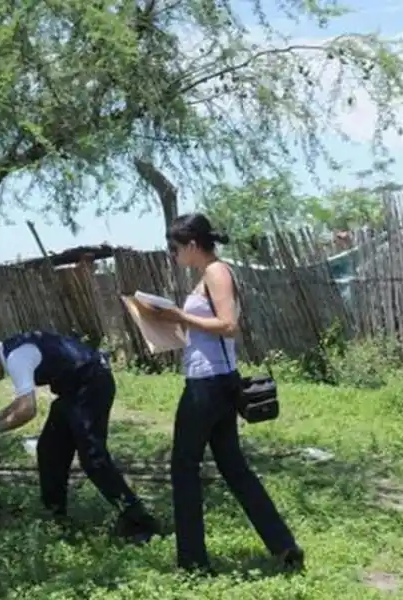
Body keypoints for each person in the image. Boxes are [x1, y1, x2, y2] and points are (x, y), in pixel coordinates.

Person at [139, 212, 304, 574]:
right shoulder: (209, 274)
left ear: (192, 244)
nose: (173, 255)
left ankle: (193, 563)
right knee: (233, 467)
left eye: (175, 248)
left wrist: (180, 318)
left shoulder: (216, 272)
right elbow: (209, 328)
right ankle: (284, 547)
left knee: (184, 467)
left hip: (207, 384)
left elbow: (229, 326)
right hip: (216, 380)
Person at [0, 332, 161, 544]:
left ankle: (141, 522)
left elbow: (28, 410)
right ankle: (55, 518)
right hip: (72, 392)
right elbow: (20, 402)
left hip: (91, 385)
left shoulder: (17, 358)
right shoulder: (14, 352)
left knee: (93, 459)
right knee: (49, 451)